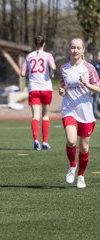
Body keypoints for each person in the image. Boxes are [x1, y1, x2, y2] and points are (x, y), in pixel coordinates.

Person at [59, 38, 100, 189]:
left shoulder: (89, 68)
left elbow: (98, 88)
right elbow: (64, 87)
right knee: (71, 140)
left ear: (83, 50)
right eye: (72, 47)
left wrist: (87, 84)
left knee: (84, 147)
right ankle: (72, 165)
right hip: (69, 109)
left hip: (86, 111)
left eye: (78, 48)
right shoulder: (64, 68)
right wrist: (62, 90)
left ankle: (81, 176)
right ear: (69, 49)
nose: (75, 50)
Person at [21, 35, 56, 150]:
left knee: (35, 116)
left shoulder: (29, 56)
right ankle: (45, 142)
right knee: (45, 116)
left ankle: (36, 140)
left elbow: (22, 73)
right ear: (44, 44)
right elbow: (53, 66)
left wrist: (30, 74)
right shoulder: (48, 55)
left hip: (33, 88)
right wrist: (51, 73)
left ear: (35, 44)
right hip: (46, 88)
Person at [91, 51, 100, 119]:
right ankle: (95, 114)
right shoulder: (94, 64)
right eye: (98, 56)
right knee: (95, 100)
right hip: (96, 85)